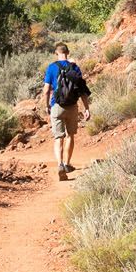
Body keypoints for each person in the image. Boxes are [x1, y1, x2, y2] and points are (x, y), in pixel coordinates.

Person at [41, 42, 90, 181]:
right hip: (72, 106)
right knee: (70, 136)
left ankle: (60, 164)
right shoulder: (75, 67)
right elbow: (82, 91)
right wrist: (86, 108)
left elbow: (46, 90)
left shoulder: (51, 67)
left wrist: (46, 106)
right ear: (67, 53)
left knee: (58, 137)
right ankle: (68, 164)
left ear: (56, 53)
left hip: (57, 106)